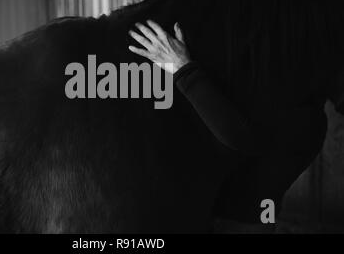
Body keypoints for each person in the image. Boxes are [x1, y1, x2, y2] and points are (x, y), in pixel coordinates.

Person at [128, 20, 327, 233]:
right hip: (254, 220)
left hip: (245, 226)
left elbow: (241, 138)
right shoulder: (304, 108)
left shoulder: (308, 120)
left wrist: (182, 69)